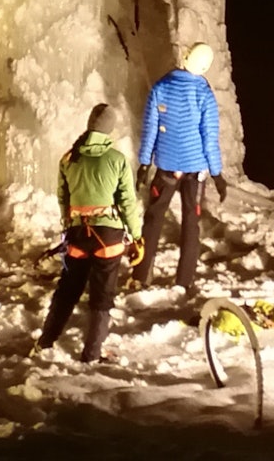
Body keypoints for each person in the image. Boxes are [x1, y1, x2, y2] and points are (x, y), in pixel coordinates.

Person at [34, 104, 143, 363]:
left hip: (78, 233)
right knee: (102, 294)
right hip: (109, 236)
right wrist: (137, 235)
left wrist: (68, 225)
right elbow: (127, 201)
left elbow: (64, 197)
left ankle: (45, 341)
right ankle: (92, 353)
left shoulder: (70, 158)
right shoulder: (117, 160)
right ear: (109, 129)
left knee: (68, 290)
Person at [131, 42, 226, 292]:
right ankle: (183, 281)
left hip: (166, 168)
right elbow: (209, 138)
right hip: (195, 171)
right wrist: (217, 173)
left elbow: (150, 128)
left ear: (185, 58)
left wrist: (144, 163)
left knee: (153, 220)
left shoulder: (161, 88)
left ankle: (141, 274)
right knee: (191, 224)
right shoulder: (204, 95)